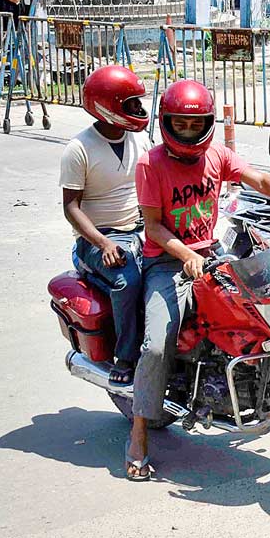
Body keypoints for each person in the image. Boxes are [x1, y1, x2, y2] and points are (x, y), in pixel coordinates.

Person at [125, 80, 270, 481]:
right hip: (167, 264)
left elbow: (261, 182)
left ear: (207, 123)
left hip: (216, 252)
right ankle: (138, 432)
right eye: (179, 125)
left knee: (269, 307)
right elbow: (152, 227)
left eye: (195, 124)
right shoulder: (150, 164)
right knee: (155, 346)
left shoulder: (217, 155)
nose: (187, 132)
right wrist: (185, 255)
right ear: (167, 123)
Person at [61, 65, 152, 387]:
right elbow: (70, 207)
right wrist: (103, 244)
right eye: (131, 104)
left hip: (143, 228)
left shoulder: (140, 139)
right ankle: (127, 356)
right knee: (128, 280)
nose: (140, 110)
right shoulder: (79, 149)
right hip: (101, 238)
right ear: (107, 106)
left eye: (139, 103)